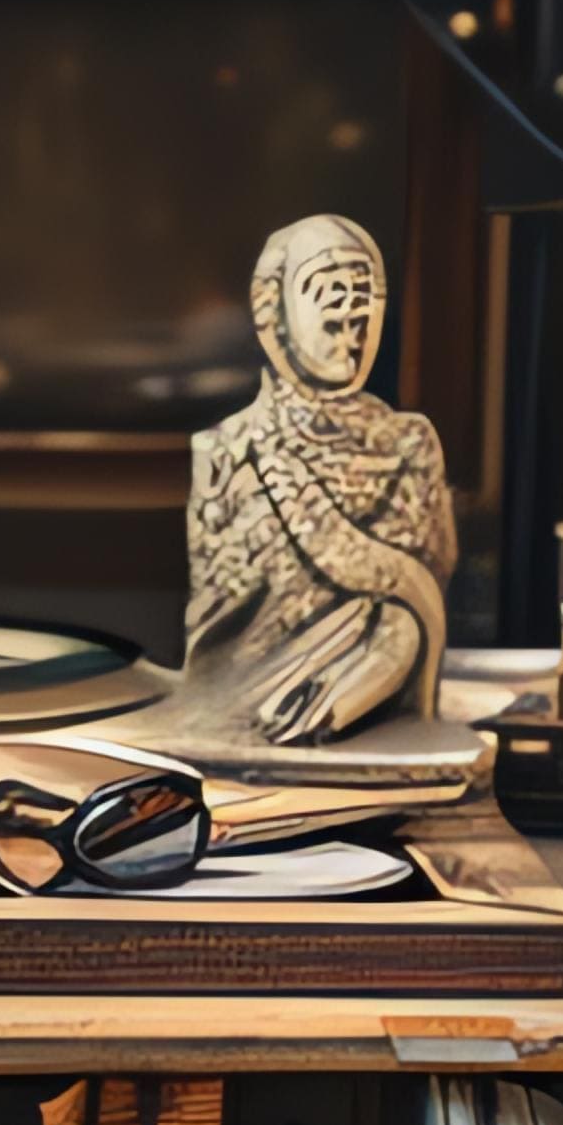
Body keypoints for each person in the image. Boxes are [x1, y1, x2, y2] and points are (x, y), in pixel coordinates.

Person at [163, 212, 449, 748]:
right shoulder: (226, 448)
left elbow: (430, 575)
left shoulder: (409, 441)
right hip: (245, 689)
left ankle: (318, 719)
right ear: (274, 314)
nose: (350, 331)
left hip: (374, 681)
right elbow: (225, 604)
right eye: (330, 310)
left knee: (399, 628)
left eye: (361, 314)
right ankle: (285, 718)